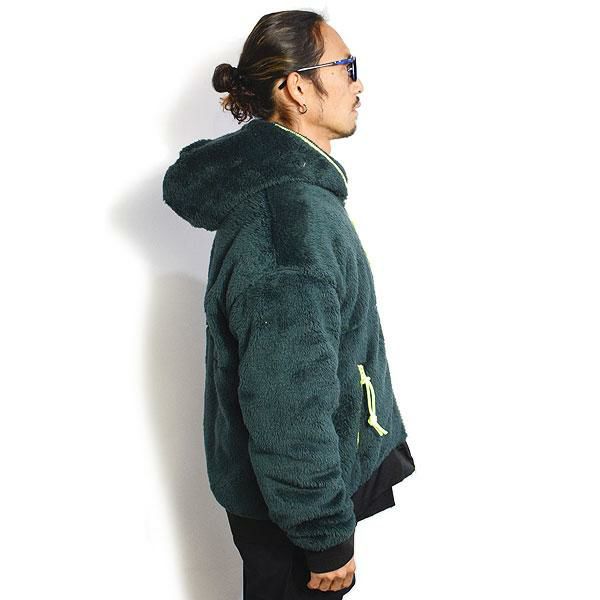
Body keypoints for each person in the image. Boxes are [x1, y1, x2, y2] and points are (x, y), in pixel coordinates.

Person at [162, 9, 416, 598]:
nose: (358, 83)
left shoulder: (295, 201)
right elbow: (287, 409)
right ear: (297, 88)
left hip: (297, 502)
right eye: (346, 66)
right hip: (296, 518)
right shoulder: (288, 222)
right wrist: (324, 536)